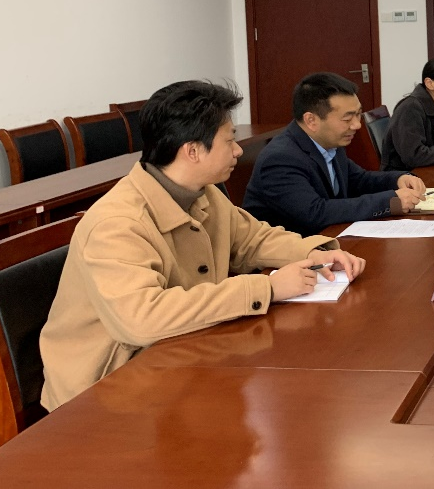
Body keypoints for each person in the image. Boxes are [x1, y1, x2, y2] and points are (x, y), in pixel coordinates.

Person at [40, 80, 366, 411]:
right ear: (193, 151)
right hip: (105, 390)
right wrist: (266, 289)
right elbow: (142, 319)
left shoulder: (201, 191)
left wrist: (314, 253)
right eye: (230, 140)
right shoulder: (117, 223)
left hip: (178, 354)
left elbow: (253, 238)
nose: (238, 151)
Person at [241, 72, 427, 235]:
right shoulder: (280, 159)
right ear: (311, 120)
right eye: (347, 118)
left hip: (328, 241)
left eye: (358, 114)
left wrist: (398, 179)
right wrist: (389, 201)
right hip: (290, 255)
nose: (357, 125)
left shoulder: (329, 142)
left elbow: (358, 180)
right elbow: (315, 213)